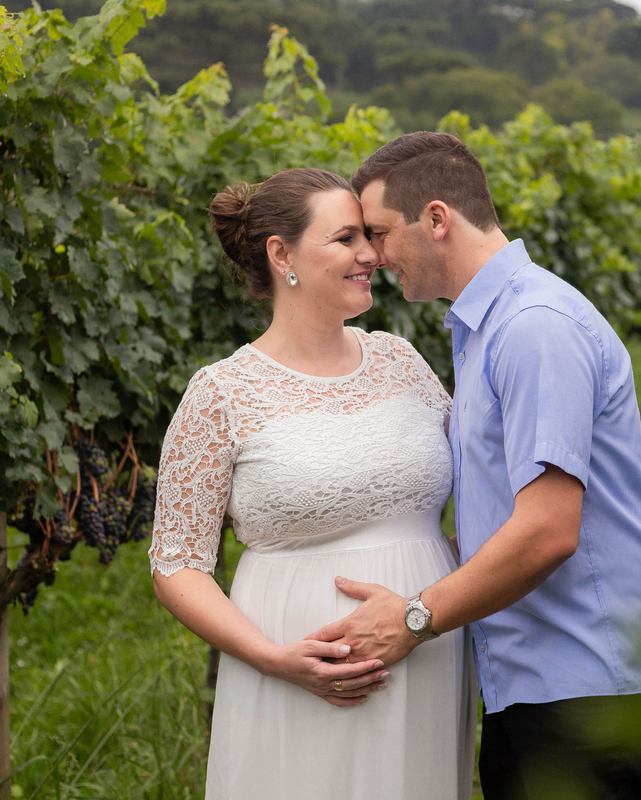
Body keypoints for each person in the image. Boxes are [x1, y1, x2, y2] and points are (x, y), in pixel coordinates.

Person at [311, 133, 641, 800]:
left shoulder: (533, 327)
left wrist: (414, 617)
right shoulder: (487, 328)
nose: (371, 254)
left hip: (585, 684)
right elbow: (505, 512)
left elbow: (546, 530)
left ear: (436, 219)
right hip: (543, 679)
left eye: (379, 232)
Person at [147, 167, 475, 800]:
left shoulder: (401, 361)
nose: (370, 255)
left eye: (368, 238)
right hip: (294, 673)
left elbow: (481, 473)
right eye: (346, 238)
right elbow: (177, 564)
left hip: (426, 655)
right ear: (281, 255)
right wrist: (272, 658)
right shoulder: (221, 394)